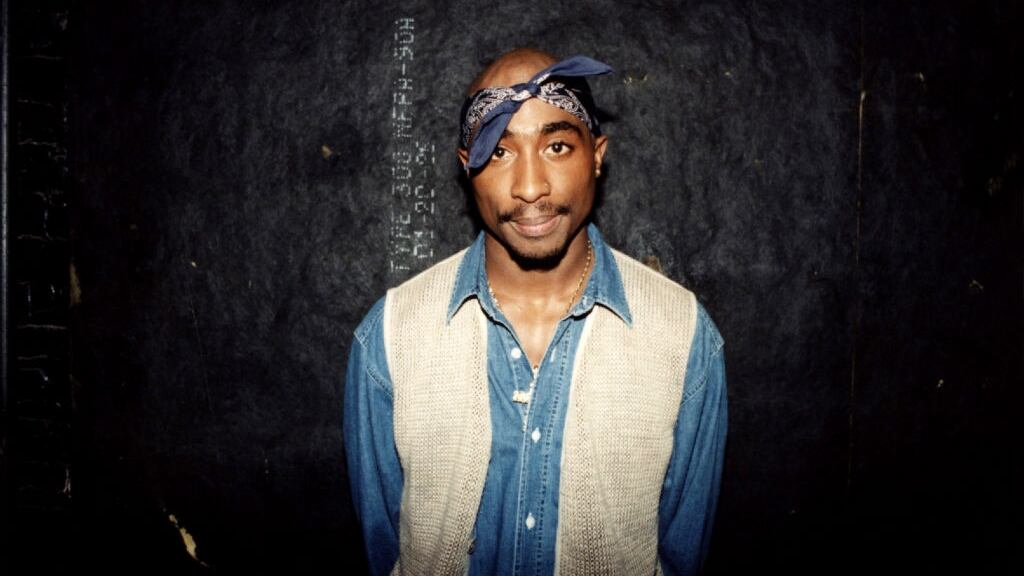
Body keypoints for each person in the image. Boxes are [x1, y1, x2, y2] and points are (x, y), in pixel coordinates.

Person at [344, 47, 727, 576]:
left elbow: (683, 557)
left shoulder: (683, 338)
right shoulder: (389, 339)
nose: (529, 187)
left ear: (597, 153)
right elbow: (384, 553)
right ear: (467, 170)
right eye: (499, 152)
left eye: (557, 145)